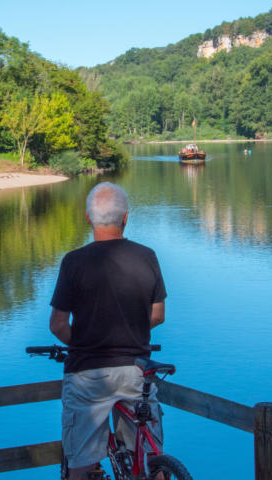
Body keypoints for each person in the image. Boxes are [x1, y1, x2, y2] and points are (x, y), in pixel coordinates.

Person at [49, 182, 167, 480]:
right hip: (137, 371)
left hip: (88, 374)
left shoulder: (73, 262)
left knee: (82, 463)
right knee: (150, 455)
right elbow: (157, 316)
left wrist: (88, 341)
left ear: (88, 218)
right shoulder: (147, 256)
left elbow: (58, 325)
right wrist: (128, 331)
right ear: (126, 217)